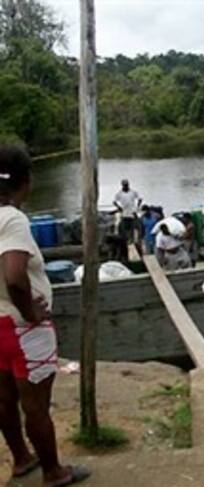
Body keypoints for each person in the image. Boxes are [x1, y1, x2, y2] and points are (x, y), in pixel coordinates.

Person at [0, 146, 91, 486]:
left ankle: (22, 458)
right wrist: (31, 312)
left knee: (4, 399)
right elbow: (14, 276)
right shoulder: (12, 219)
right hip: (23, 329)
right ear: (26, 181)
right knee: (36, 405)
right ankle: (53, 471)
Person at [113, 179, 142, 244]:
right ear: (122, 185)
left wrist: (137, 207)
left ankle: (134, 240)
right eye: (125, 185)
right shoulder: (119, 194)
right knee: (124, 228)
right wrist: (119, 207)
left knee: (134, 227)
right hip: (124, 213)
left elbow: (140, 199)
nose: (126, 186)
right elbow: (114, 202)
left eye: (127, 185)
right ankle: (125, 240)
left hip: (132, 213)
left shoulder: (133, 192)